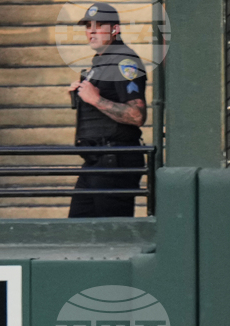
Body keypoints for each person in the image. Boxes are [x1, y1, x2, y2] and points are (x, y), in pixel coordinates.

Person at [67, 2, 148, 218]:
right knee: (77, 228)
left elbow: (137, 115)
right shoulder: (101, 63)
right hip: (96, 160)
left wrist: (95, 99)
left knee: (112, 230)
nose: (91, 31)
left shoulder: (125, 62)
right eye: (88, 26)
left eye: (99, 25)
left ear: (115, 29)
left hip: (115, 162)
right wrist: (82, 94)